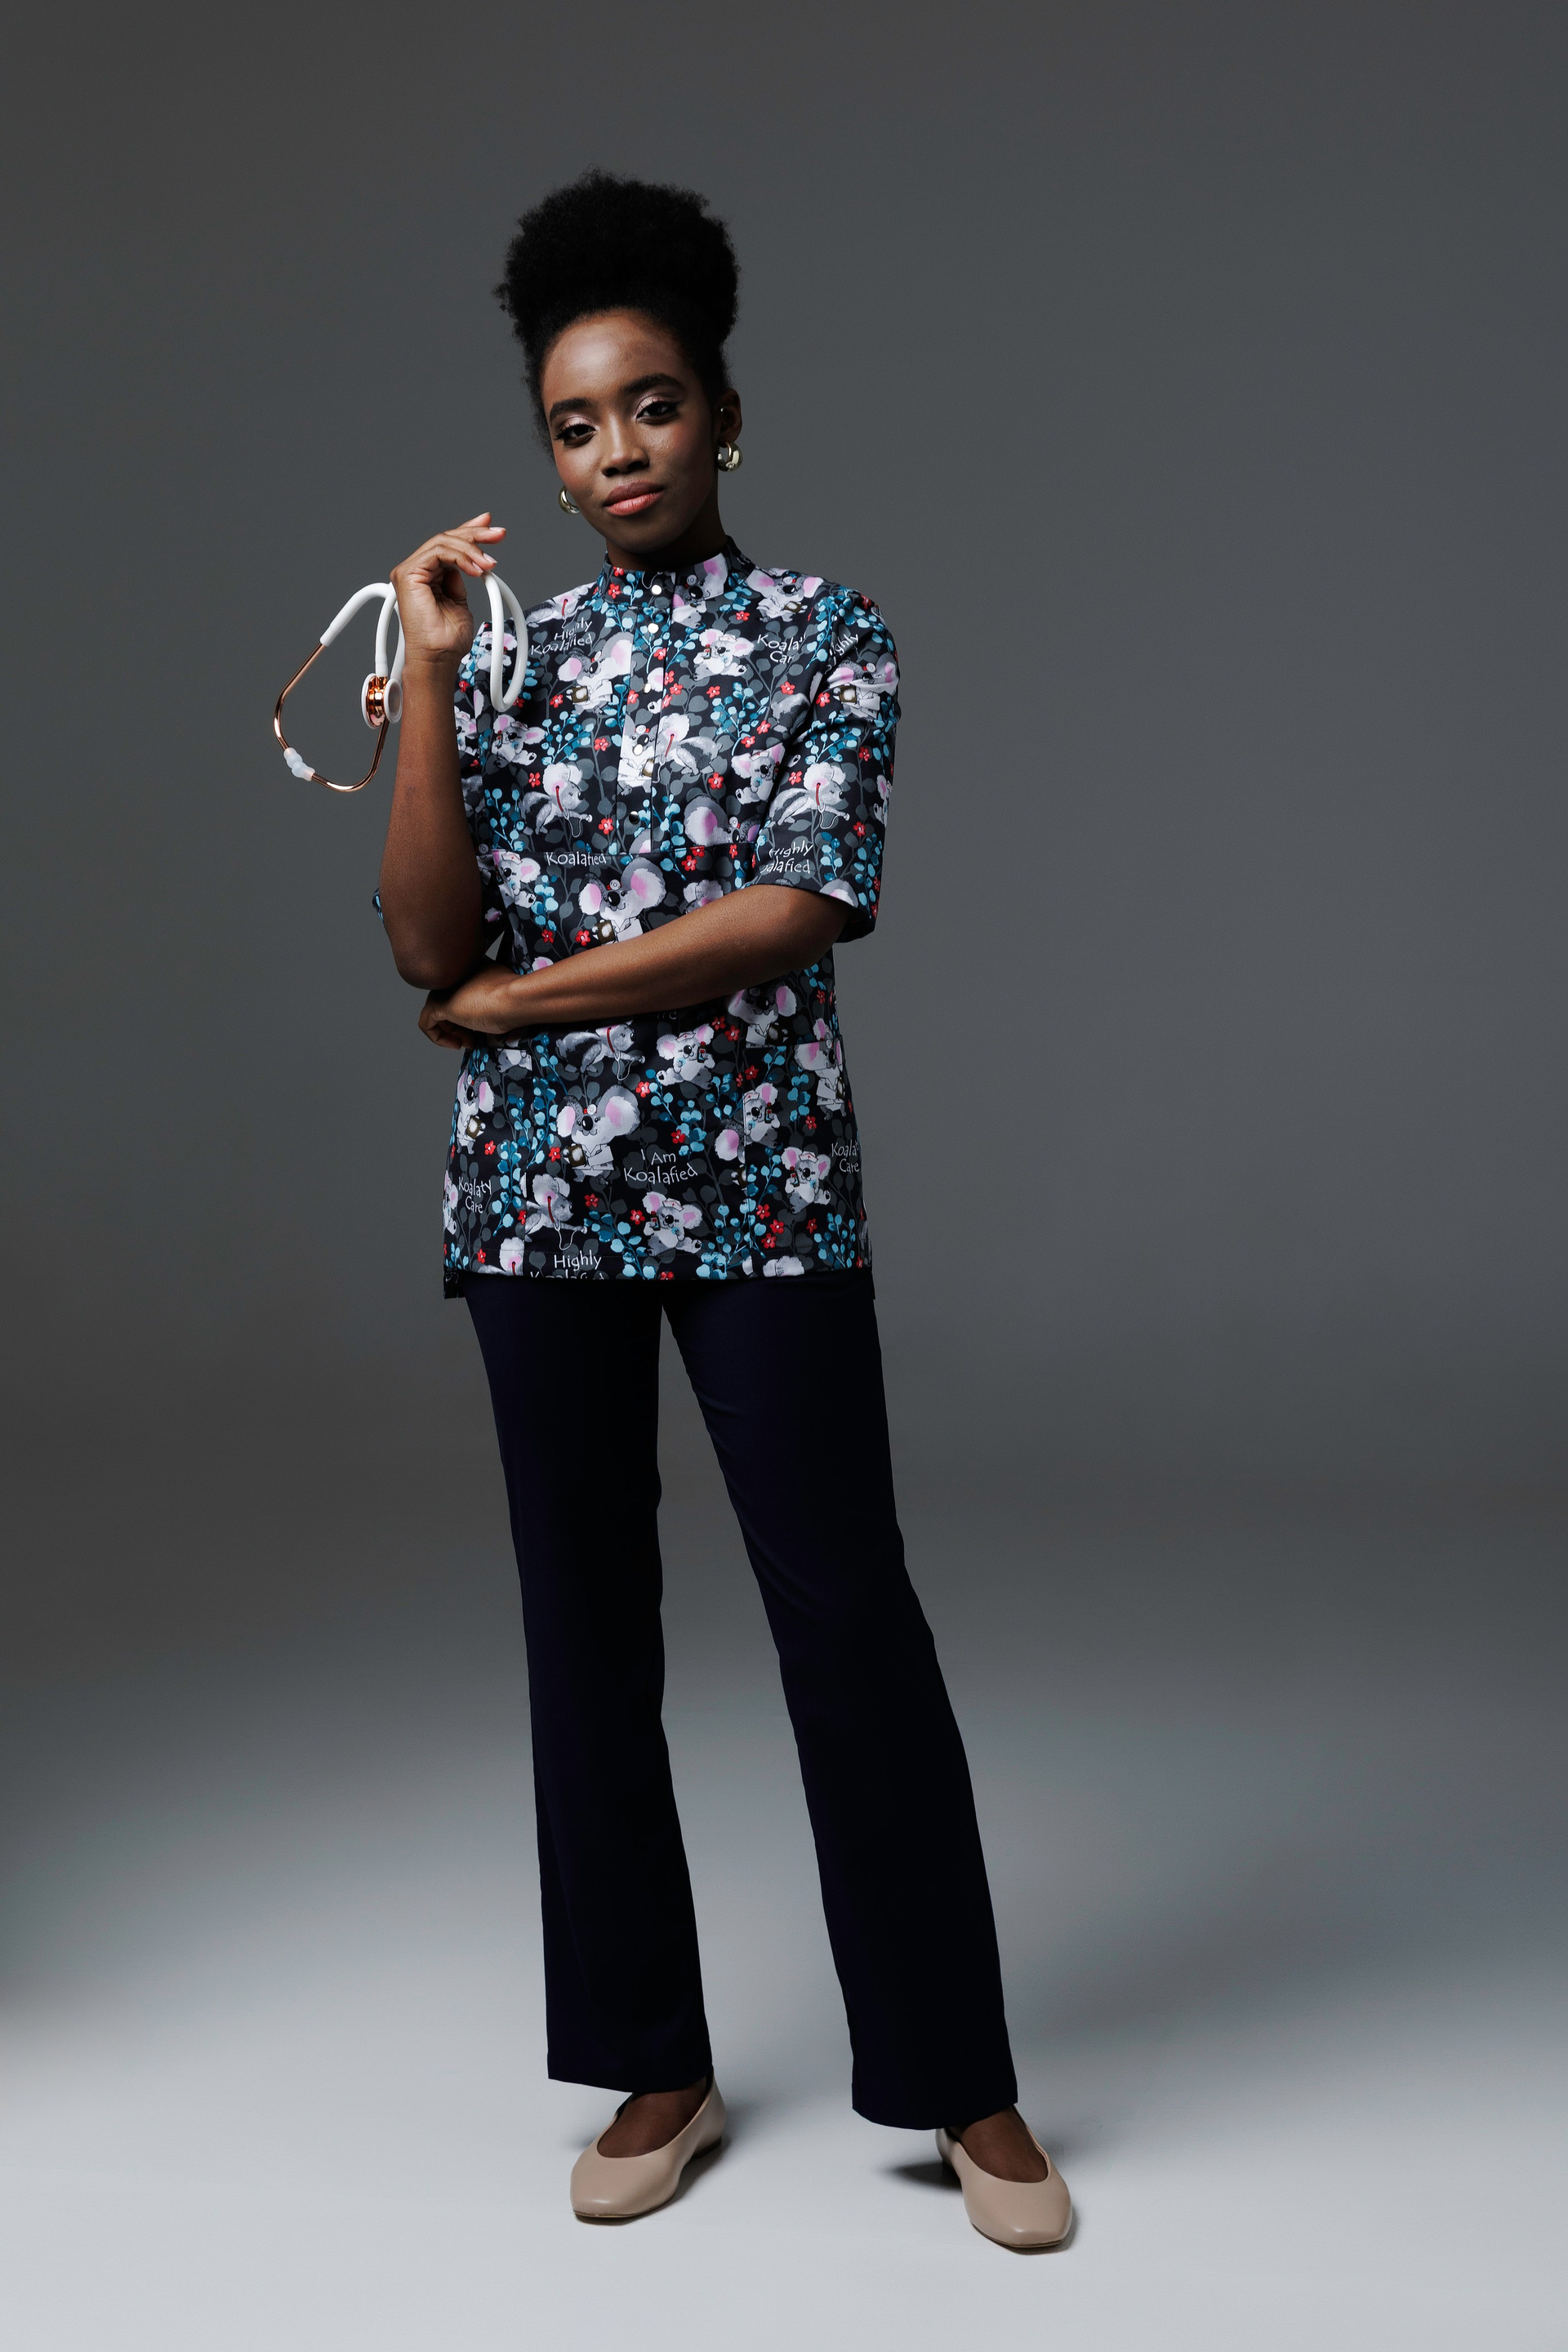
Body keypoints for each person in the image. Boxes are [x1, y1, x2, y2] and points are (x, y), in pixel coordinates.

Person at [375, 170, 1070, 2250]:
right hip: (537, 1208)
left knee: (847, 1618)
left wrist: (526, 1003)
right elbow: (424, 945)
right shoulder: (512, 658)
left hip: (760, 1189)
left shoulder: (825, 634)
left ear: (726, 416)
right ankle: (652, 2066)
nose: (618, 452)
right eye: (575, 425)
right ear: (546, 454)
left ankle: (963, 2084)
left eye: (654, 406)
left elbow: (795, 908)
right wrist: (431, 685)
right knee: (583, 1635)